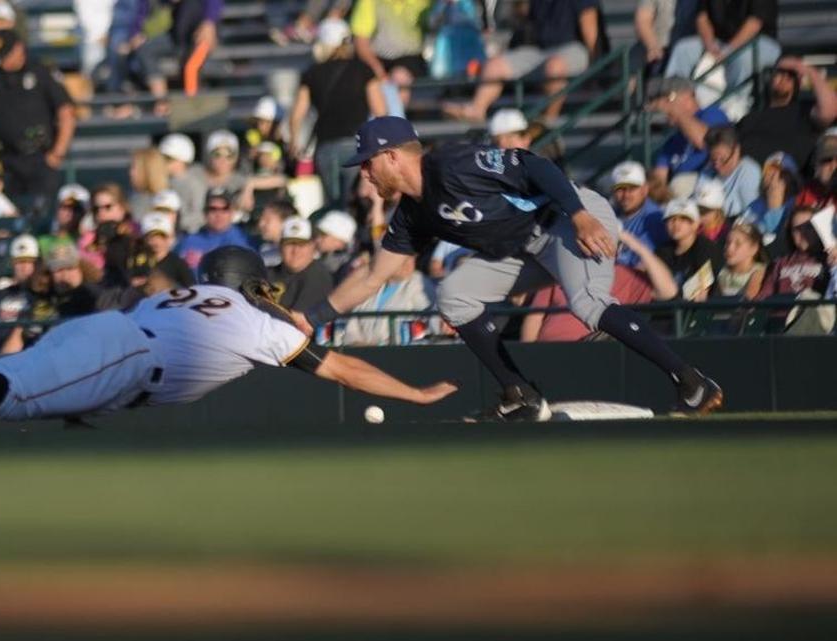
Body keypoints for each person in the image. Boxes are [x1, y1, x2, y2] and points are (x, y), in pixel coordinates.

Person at [295, 116, 723, 421]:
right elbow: (373, 276)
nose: (365, 175)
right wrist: (312, 318)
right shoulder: (411, 213)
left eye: (367, 163)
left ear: (391, 156)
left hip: (566, 219)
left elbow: (534, 164)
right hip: (524, 246)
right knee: (454, 296)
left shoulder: (452, 164)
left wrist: (578, 214)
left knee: (588, 303)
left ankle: (690, 380)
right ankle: (520, 393)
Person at [0, 246, 458, 423]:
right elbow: (342, 369)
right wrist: (417, 393)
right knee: (4, 395)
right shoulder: (253, 317)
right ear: (242, 280)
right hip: (131, 358)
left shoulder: (188, 293)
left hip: (115, 338)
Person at [443, 0, 603, 123]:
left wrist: (596, 70)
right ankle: (477, 109)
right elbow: (520, 16)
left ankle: (546, 122)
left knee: (555, 67)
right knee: (494, 65)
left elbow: (590, 29)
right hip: (539, 49)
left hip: (573, 48)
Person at [0, 30, 76, 201]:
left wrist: (57, 153)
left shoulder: (40, 73)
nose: (4, 60)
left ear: (19, 48)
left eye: (7, 54)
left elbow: (66, 112)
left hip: (40, 157)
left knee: (42, 212)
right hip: (3, 161)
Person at [288, 18, 385, 208]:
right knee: (356, 203)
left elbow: (297, 114)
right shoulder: (363, 69)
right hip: (357, 144)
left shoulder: (312, 72)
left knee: (333, 205)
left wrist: (294, 142)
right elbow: (381, 111)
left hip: (325, 146)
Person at [521, 230, 679, 342]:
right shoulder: (563, 268)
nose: (597, 245)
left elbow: (668, 291)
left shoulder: (628, 275)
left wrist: (636, 246)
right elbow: (535, 316)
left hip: (592, 350)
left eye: (604, 240)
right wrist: (528, 355)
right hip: (548, 351)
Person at [663, 0, 781, 101]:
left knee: (741, 59)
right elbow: (702, 17)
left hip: (759, 41)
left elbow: (755, 22)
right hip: (720, 41)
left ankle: (735, 109)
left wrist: (728, 50)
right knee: (683, 50)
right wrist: (710, 45)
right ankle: (672, 102)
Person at [736, 56, 837, 168]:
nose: (784, 77)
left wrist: (806, 70)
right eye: (780, 73)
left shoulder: (804, 111)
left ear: (797, 86)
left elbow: (830, 110)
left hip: (789, 179)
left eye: (790, 76)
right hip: (749, 176)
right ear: (770, 79)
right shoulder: (750, 118)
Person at [648, 76, 730, 191]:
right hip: (681, 200)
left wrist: (675, 110)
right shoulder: (673, 141)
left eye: (669, 98)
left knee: (679, 184)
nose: (665, 107)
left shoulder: (712, 113)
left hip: (709, 185)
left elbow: (704, 141)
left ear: (688, 95)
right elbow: (659, 181)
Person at [340, 255, 433, 346]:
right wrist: (357, 343)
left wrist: (382, 345)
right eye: (403, 260)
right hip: (361, 352)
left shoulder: (419, 283)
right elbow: (353, 322)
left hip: (399, 353)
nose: (408, 264)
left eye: (411, 259)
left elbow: (426, 322)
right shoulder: (370, 283)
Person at [655, 198, 723, 300]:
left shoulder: (707, 249)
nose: (676, 224)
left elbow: (701, 288)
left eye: (683, 219)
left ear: (695, 224)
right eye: (671, 219)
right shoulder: (662, 251)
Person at [609, 160, 667, 270]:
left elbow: (639, 265)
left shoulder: (655, 218)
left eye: (632, 188)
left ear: (644, 190)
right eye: (620, 189)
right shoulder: (609, 213)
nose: (626, 195)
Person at [176, 188, 252, 271]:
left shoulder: (245, 241)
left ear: (232, 212)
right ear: (204, 212)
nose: (218, 214)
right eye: (213, 209)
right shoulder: (189, 241)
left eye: (224, 209)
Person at [739, 151, 800, 255]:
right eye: (769, 171)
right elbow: (741, 230)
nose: (774, 179)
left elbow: (780, 243)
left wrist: (774, 207)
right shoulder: (754, 205)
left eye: (781, 174)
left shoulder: (797, 205)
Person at [270, 216, 335, 310]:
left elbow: (299, 320)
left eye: (302, 244)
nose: (295, 251)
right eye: (290, 244)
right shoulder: (266, 273)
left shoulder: (318, 276)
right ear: (280, 246)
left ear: (313, 246)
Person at [697, 125, 761, 218]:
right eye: (713, 160)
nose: (717, 166)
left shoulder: (748, 171)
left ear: (736, 151)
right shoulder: (708, 170)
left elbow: (752, 215)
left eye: (723, 160)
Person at [159, 133, 208, 233]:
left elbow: (200, 214)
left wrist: (173, 222)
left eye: (169, 159)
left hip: (188, 233)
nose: (163, 163)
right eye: (162, 159)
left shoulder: (194, 183)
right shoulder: (163, 181)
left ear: (183, 159)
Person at [715, 222, 766, 299]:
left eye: (738, 244)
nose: (729, 249)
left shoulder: (759, 272)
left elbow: (748, 301)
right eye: (728, 243)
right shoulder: (721, 272)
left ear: (753, 249)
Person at [314, 209, 362, 283]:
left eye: (323, 234)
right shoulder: (318, 255)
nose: (318, 237)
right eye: (318, 232)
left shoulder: (349, 267)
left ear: (339, 241)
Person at [694, 178, 731, 255]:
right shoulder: (694, 228)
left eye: (704, 211)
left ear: (718, 212)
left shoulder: (727, 234)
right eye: (697, 209)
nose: (699, 214)